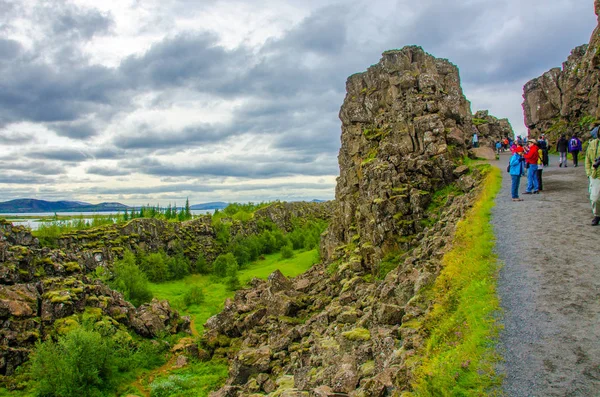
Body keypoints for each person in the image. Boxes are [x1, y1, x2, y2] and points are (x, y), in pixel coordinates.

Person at [585, 123, 600, 225]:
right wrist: (589, 172)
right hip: (595, 175)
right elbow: (587, 159)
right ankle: (597, 215)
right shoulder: (593, 144)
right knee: (595, 198)